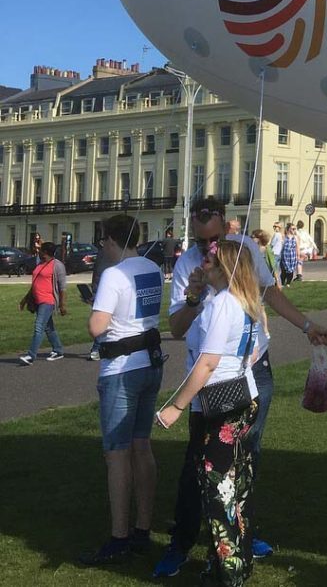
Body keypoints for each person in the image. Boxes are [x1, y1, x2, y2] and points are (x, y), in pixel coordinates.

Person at [153, 196, 327, 578]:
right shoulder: (192, 265)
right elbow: (177, 328)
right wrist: (196, 294)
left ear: (227, 227)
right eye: (201, 242)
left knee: (244, 460)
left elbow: (268, 294)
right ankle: (184, 542)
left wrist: (306, 325)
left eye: (214, 240)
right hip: (211, 383)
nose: (209, 249)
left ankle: (237, 543)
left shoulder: (243, 253)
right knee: (198, 467)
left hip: (245, 374)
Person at [155, 239, 264, 586]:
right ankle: (238, 561)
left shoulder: (223, 305)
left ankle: (227, 573)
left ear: (225, 269)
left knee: (217, 490)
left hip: (218, 404)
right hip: (244, 396)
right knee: (238, 486)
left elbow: (207, 363)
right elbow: (255, 351)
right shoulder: (248, 303)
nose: (205, 265)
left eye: (212, 262)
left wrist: (175, 406)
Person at [80, 214, 165, 565]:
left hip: (121, 368)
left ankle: (119, 536)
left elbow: (96, 327)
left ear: (110, 240)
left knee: (116, 453)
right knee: (141, 446)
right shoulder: (152, 268)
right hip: (150, 363)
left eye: (104, 242)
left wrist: (96, 311)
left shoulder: (114, 274)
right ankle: (143, 528)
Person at [18, 241, 67, 364]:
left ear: (45, 252)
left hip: (48, 301)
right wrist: (25, 299)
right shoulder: (40, 264)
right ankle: (58, 350)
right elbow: (35, 284)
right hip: (37, 301)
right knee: (48, 328)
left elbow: (62, 288)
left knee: (39, 327)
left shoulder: (57, 265)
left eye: (40, 250)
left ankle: (31, 356)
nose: (38, 252)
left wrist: (62, 305)